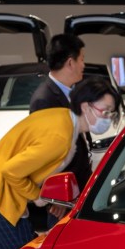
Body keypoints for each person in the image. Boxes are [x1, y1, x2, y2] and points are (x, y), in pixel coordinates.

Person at [0, 77, 120, 249]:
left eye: (111, 112)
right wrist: (38, 197)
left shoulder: (64, 120)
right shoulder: (61, 138)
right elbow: (11, 172)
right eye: (106, 111)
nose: (108, 117)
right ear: (86, 106)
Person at [30, 34, 93, 193]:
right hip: (64, 192)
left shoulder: (70, 91)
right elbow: (44, 156)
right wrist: (56, 193)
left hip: (78, 184)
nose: (84, 65)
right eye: (82, 59)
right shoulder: (44, 100)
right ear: (70, 63)